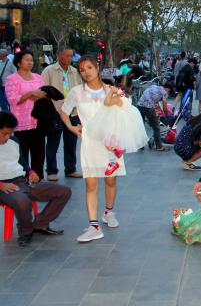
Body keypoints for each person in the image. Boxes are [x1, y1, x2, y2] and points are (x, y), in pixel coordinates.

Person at [58, 56, 124, 242]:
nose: (85, 72)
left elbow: (123, 113)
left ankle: (109, 212)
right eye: (81, 70)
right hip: (89, 144)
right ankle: (94, 226)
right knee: (90, 184)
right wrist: (71, 127)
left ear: (97, 68)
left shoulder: (111, 90)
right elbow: (64, 111)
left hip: (110, 143)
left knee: (110, 181)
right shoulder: (76, 92)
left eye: (89, 67)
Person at [0, 111, 71, 247]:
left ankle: (40, 224)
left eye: (10, 133)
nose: (7, 137)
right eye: (4, 134)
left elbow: (22, 162)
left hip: (22, 182)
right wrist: (1, 185)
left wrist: (31, 172)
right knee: (23, 202)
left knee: (64, 192)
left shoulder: (13, 141)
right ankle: (25, 231)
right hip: (4, 187)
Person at [42, 47, 83, 181]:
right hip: (55, 112)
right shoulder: (49, 71)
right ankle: (51, 171)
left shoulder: (74, 72)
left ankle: (71, 169)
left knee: (71, 142)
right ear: (59, 55)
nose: (69, 59)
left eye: (71, 56)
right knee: (53, 143)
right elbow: (43, 91)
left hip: (72, 112)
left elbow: (80, 90)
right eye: (66, 56)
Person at [5, 50, 47, 180]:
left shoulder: (38, 77)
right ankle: (23, 181)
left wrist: (40, 96)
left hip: (38, 122)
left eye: (31, 60)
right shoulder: (12, 79)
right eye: (27, 60)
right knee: (22, 155)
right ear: (18, 62)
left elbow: (44, 94)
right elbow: (13, 100)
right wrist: (31, 94)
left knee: (39, 155)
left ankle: (38, 181)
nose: (30, 62)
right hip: (21, 123)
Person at [136, 81, 175, 152]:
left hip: (139, 105)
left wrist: (156, 110)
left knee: (141, 126)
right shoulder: (164, 93)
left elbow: (153, 99)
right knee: (156, 127)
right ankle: (159, 146)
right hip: (148, 108)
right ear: (169, 89)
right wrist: (166, 115)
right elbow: (165, 107)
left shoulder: (154, 86)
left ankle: (140, 145)